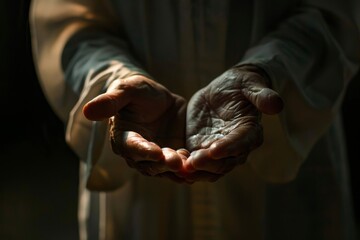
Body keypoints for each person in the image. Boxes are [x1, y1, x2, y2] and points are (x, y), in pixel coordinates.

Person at [29, 0, 360, 239]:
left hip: (283, 155)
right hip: (141, 184)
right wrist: (114, 77)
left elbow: (336, 13)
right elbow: (71, 21)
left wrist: (268, 70)